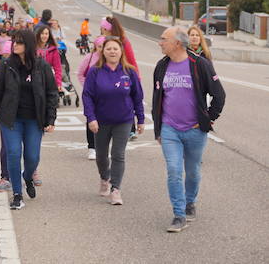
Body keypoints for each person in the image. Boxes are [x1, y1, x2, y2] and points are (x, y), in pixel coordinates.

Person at [154, 27, 225, 233]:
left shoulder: (199, 64)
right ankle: (179, 215)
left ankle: (190, 202)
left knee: (192, 172)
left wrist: (208, 119)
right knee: (174, 171)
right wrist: (158, 129)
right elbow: (157, 99)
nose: (160, 42)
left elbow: (219, 95)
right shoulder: (161, 66)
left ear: (177, 43)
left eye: (163, 39)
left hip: (195, 130)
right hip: (170, 129)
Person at [0, 29, 59, 210]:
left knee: (32, 157)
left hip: (34, 120)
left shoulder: (42, 66)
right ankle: (17, 194)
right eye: (14, 41)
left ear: (29, 45)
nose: (15, 45)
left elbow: (52, 93)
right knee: (13, 154)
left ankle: (28, 176)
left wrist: (51, 118)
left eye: (20, 42)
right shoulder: (6, 64)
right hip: (11, 119)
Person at [82, 37, 145, 205]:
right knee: (101, 156)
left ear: (121, 51)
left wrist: (141, 119)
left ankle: (115, 189)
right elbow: (87, 95)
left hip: (123, 120)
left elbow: (137, 97)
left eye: (115, 49)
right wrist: (91, 118)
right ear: (103, 51)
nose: (112, 51)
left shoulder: (129, 71)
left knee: (118, 154)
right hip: (101, 121)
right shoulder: (95, 71)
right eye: (108, 48)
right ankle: (105, 177)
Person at [77, 36, 106, 160]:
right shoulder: (89, 58)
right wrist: (88, 86)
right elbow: (80, 74)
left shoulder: (110, 59)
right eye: (100, 47)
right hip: (91, 95)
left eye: (104, 47)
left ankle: (103, 148)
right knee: (91, 119)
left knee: (105, 121)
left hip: (106, 96)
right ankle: (92, 148)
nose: (102, 49)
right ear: (96, 47)